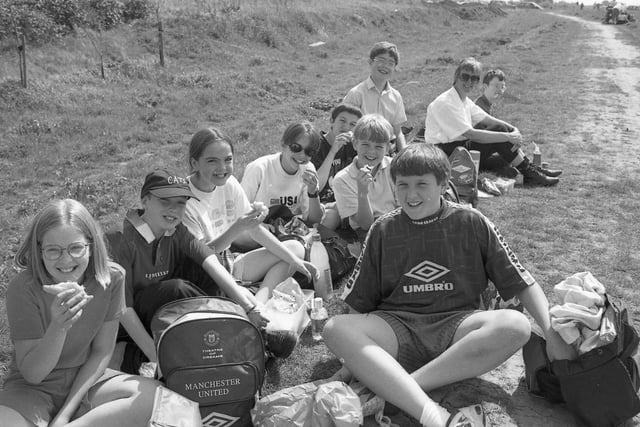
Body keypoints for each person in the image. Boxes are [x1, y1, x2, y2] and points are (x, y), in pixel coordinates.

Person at [323, 144, 576, 427]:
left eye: (422, 184)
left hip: (459, 329)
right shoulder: (382, 229)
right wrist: (349, 365)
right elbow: (359, 303)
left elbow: (521, 280)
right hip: (397, 329)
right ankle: (434, 415)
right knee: (335, 328)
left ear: (443, 185)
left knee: (517, 325)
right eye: (402, 185)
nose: (411, 194)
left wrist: (552, 332)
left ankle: (400, 389)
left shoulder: (471, 221)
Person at [0, 199, 159, 427]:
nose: (65, 260)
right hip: (31, 390)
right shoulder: (23, 289)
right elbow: (33, 374)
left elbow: (102, 353)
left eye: (76, 248)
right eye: (53, 250)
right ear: (39, 250)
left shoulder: (112, 279)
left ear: (91, 245)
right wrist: (59, 326)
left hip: (86, 381)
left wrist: (64, 416)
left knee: (155, 397)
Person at [107, 169, 268, 374]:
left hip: (169, 312)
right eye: (165, 201)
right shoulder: (119, 238)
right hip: (134, 322)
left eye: (181, 202)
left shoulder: (176, 229)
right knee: (175, 289)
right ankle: (228, 340)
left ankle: (235, 330)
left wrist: (248, 307)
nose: (174, 209)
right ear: (145, 200)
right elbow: (122, 307)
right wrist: (155, 355)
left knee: (206, 265)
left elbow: (209, 259)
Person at [182, 127, 318, 305]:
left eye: (228, 159)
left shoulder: (228, 183)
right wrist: (238, 227)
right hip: (203, 273)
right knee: (286, 257)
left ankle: (260, 302)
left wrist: (294, 261)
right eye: (212, 161)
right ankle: (254, 306)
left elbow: (255, 230)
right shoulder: (183, 200)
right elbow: (202, 256)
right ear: (194, 163)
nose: (222, 168)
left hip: (228, 260)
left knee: (294, 249)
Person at [424, 57, 560, 187]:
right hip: (443, 153)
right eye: (465, 77)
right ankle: (530, 173)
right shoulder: (446, 102)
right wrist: (507, 136)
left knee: (502, 151)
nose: (469, 82)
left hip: (458, 148)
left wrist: (513, 129)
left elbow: (488, 120)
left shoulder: (464, 100)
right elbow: (471, 134)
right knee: (500, 136)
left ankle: (530, 168)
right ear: (456, 76)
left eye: (474, 79)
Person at [474, 69, 562, 179]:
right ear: (485, 86)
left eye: (502, 86)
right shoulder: (479, 106)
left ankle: (533, 169)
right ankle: (530, 172)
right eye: (496, 86)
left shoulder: (488, 104)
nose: (500, 90)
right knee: (507, 154)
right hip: (475, 155)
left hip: (485, 151)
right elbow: (485, 137)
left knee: (509, 155)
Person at [241, 121, 324, 236]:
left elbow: (314, 221)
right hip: (256, 228)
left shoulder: (308, 169)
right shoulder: (259, 168)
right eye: (296, 148)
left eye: (309, 152)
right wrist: (260, 226)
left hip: (287, 230)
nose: (302, 155)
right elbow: (239, 211)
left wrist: (313, 193)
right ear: (284, 144)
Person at [332, 114, 397, 234]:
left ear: (387, 148)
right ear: (355, 144)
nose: (371, 152)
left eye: (378, 146)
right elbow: (365, 225)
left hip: (398, 223)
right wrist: (362, 192)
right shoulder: (342, 180)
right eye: (365, 144)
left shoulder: (395, 167)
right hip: (370, 234)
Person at [343, 41, 408, 153]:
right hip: (361, 151)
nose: (385, 66)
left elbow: (398, 132)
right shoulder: (356, 94)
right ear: (370, 62)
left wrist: (404, 154)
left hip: (388, 151)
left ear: (395, 68)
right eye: (381, 60)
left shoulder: (396, 97)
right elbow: (345, 129)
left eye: (390, 63)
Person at [310, 103, 363, 230]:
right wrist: (333, 151)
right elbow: (316, 186)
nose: (346, 127)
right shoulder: (316, 144)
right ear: (332, 121)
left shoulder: (353, 146)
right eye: (342, 121)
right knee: (332, 218)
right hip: (318, 203)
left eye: (352, 124)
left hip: (342, 199)